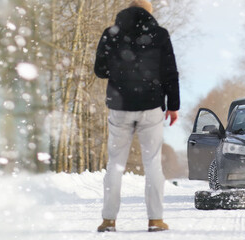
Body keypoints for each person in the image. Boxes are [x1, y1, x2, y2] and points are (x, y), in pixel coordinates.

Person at [93, 0, 179, 232]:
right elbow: (170, 72)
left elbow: (100, 70)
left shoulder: (111, 33)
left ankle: (108, 221)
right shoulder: (160, 34)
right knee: (152, 164)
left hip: (119, 107)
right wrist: (173, 105)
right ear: (149, 13)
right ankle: (155, 220)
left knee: (115, 164)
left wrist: (120, 71)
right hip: (150, 107)